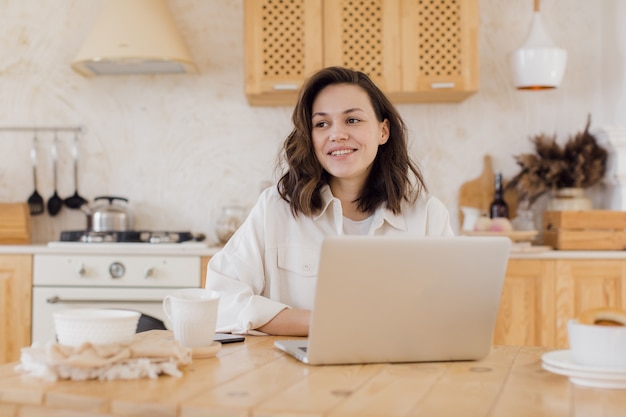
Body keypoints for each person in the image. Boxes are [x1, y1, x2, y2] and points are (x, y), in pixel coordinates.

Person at [206, 66, 454, 336]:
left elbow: (452, 314)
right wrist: (324, 323)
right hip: (292, 372)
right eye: (322, 124)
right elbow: (220, 303)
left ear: (383, 131)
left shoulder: (428, 214)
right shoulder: (275, 209)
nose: (337, 134)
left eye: (353, 120)